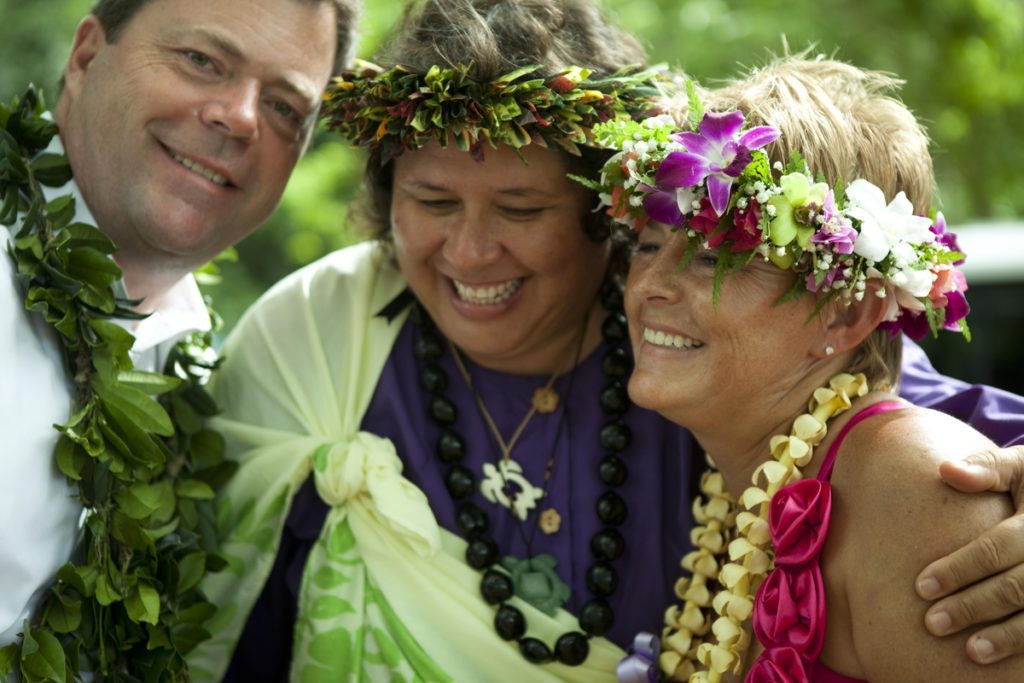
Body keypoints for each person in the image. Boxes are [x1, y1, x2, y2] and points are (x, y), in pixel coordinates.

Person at [189, 1, 1024, 681]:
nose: (473, 251)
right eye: (435, 202)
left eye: (522, 210)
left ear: (605, 223)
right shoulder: (320, 334)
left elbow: (892, 411)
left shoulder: (718, 367)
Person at [614, 56, 1023, 680]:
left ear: (845, 315)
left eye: (714, 259)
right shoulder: (743, 481)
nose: (650, 286)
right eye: (646, 245)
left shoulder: (917, 484)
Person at [0, 0, 357, 678]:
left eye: (284, 107)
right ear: (85, 56)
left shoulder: (212, 382)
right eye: (203, 61)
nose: (242, 117)